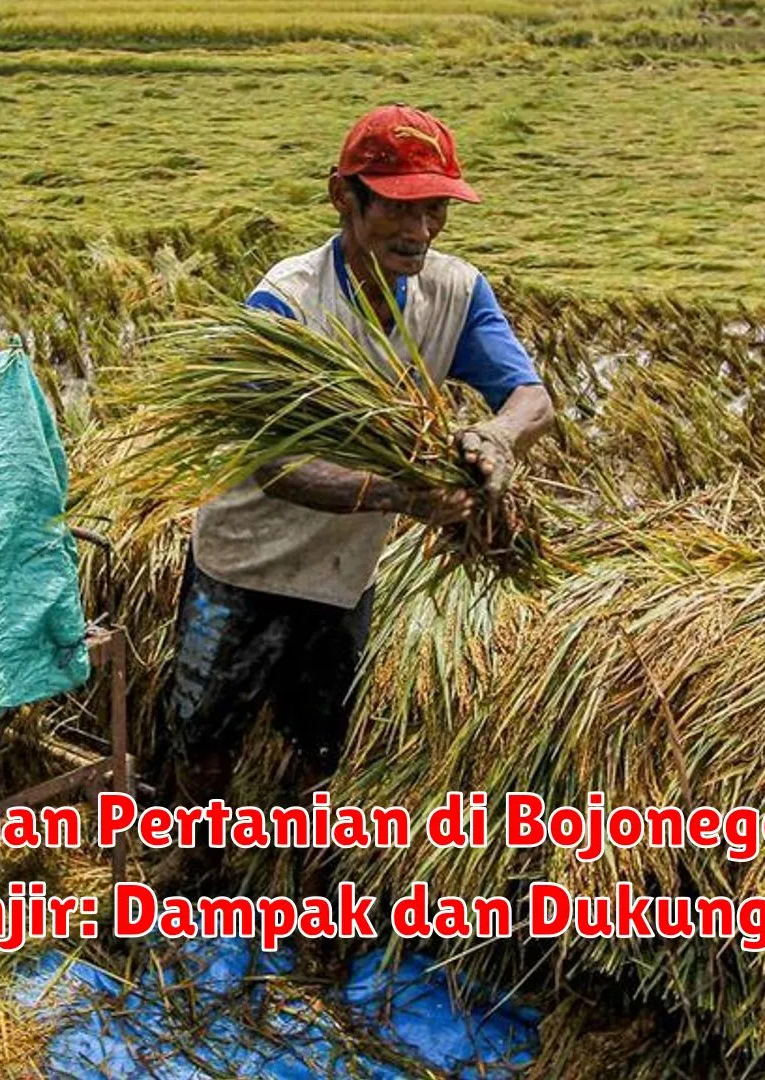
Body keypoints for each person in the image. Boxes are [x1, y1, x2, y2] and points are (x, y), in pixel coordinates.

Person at [148, 104, 555, 896]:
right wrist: (403, 494)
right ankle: (194, 868)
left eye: (435, 205)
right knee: (205, 731)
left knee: (323, 741)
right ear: (346, 196)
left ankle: (316, 888)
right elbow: (273, 466)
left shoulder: (456, 292)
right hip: (245, 559)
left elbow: (531, 396)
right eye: (402, 203)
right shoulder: (288, 304)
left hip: (341, 572)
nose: (423, 226)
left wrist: (498, 439)